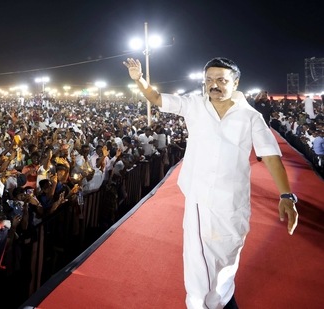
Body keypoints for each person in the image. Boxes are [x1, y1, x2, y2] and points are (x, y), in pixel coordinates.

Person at [124, 57, 299, 309]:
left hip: (233, 203)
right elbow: (157, 98)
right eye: (208, 80)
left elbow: (271, 158)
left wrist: (286, 196)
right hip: (199, 200)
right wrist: (138, 79)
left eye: (221, 80)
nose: (213, 85)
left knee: (227, 259)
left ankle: (222, 299)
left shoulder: (251, 117)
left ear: (236, 82)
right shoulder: (193, 105)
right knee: (197, 265)